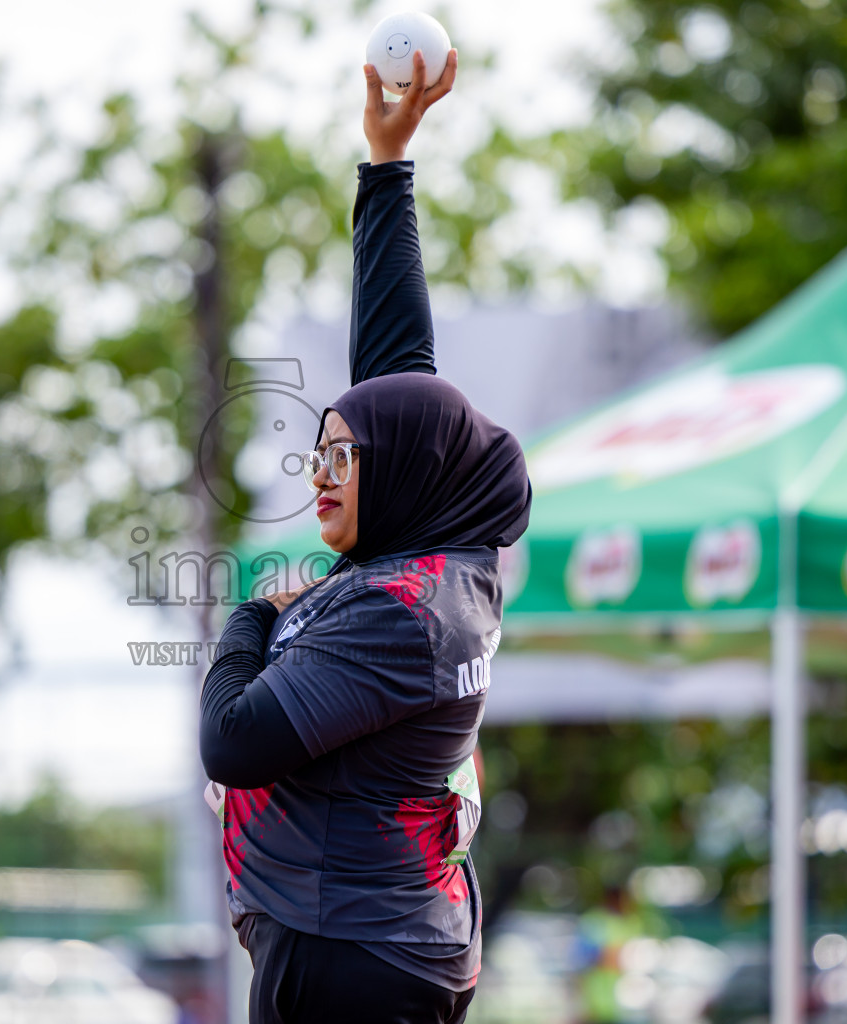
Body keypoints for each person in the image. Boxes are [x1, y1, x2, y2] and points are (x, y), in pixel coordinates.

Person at [198, 47, 534, 1024]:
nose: (322, 477)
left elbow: (235, 738)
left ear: (402, 473)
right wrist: (388, 168)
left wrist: (252, 618)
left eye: (343, 459)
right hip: (358, 935)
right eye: (319, 452)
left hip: (355, 957)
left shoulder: (406, 609)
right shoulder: (429, 549)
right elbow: (398, 370)